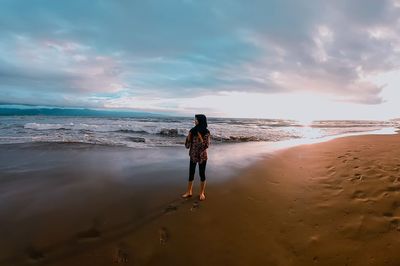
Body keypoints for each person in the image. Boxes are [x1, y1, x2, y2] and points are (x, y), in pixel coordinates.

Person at [181, 114, 211, 201]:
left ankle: (201, 193)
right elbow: (187, 146)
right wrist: (188, 138)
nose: (195, 121)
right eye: (195, 119)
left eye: (196, 119)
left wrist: (200, 137)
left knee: (202, 174)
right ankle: (189, 192)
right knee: (191, 173)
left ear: (201, 121)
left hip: (202, 156)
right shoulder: (192, 131)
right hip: (193, 155)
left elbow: (206, 146)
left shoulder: (206, 132)